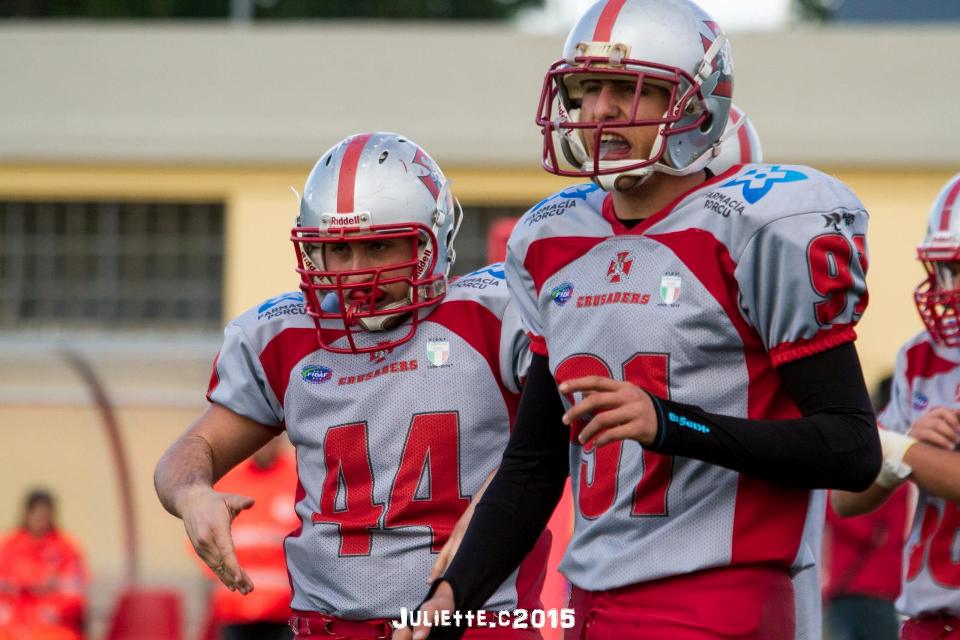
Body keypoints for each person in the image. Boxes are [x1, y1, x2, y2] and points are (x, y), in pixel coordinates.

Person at [401, 1, 881, 639]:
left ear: (696, 105)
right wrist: (451, 598)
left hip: (716, 600)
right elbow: (535, 464)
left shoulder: (754, 229)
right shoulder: (552, 237)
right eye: (587, 88)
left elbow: (851, 448)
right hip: (589, 601)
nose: (599, 111)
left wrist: (671, 423)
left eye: (629, 90)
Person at [154, 132, 550, 640]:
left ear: (430, 241)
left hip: (476, 623)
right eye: (340, 250)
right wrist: (191, 493)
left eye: (378, 245)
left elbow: (554, 445)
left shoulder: (493, 316)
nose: (358, 273)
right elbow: (191, 450)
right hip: (330, 628)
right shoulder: (285, 336)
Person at [832, 172, 960, 640]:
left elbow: (895, 451)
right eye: (951, 269)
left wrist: (903, 451)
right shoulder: (921, 356)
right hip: (929, 622)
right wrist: (898, 454)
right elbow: (846, 498)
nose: (953, 287)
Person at [822, 376, 909, 640]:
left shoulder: (877, 442)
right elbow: (837, 506)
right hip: (867, 582)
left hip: (861, 582)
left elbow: (833, 507)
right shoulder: (894, 444)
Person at [200, 438, 299, 640]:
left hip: (285, 612)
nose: (265, 445)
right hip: (235, 609)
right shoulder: (228, 480)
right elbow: (205, 539)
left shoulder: (298, 477)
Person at [0, 489, 88, 640]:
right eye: (36, 514)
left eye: (45, 515)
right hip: (12, 622)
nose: (40, 520)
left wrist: (56, 609)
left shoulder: (66, 547)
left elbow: (75, 592)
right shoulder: (8, 545)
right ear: (27, 514)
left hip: (51, 623)